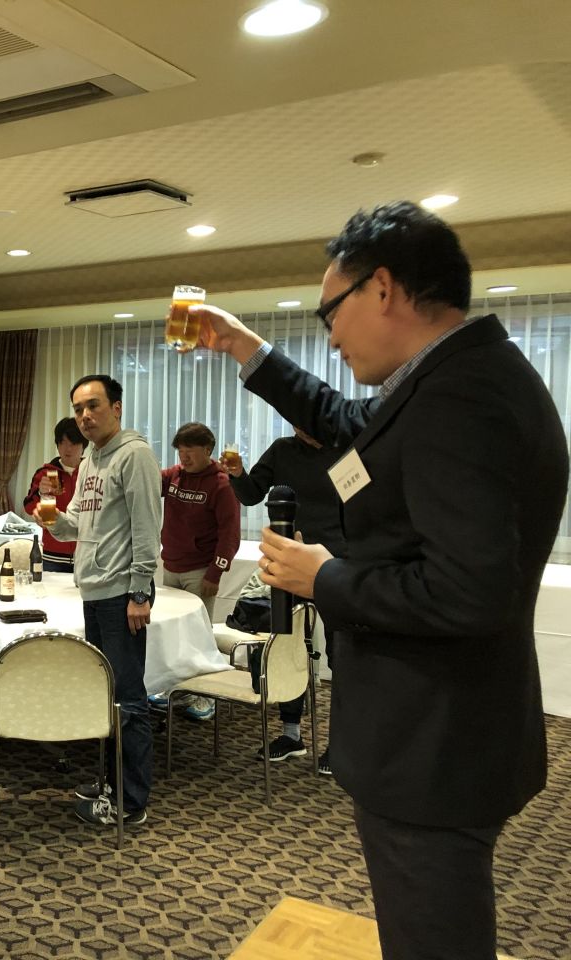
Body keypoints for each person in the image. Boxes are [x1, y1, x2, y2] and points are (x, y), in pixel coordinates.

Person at [193, 200, 569, 960]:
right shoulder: (454, 376)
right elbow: (347, 420)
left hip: (434, 739)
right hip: (443, 730)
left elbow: (468, 594)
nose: (330, 336)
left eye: (331, 312)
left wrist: (325, 578)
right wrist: (246, 349)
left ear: (384, 288)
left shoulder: (462, 397)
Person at [40, 374, 161, 827]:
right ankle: (111, 781)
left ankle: (130, 802)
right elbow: (77, 522)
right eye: (78, 409)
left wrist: (140, 591)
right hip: (93, 589)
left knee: (128, 700)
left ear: (117, 407)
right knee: (107, 695)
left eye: (93, 406)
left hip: (121, 594)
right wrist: (52, 519)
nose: (85, 416)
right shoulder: (91, 457)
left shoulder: (135, 455)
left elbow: (147, 528)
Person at [226, 427, 348, 770]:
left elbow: (366, 502)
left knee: (342, 656)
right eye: (293, 422)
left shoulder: (343, 448)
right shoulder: (282, 450)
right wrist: (238, 474)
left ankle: (340, 744)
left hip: (337, 563)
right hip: (289, 561)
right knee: (286, 649)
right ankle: (291, 734)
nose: (299, 428)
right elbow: (251, 494)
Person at [154, 421, 241, 721]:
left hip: (200, 571)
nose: (184, 456)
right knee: (172, 633)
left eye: (190, 450)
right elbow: (145, 481)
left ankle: (206, 696)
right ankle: (175, 688)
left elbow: (230, 535)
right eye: (180, 450)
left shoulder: (222, 484)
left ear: (207, 450)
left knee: (198, 636)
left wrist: (215, 574)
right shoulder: (174, 476)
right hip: (171, 567)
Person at [21, 416, 86, 573]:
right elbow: (29, 507)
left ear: (84, 445)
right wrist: (40, 493)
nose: (67, 449)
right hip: (53, 555)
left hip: (86, 554)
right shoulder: (47, 473)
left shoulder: (92, 472)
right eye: (62, 442)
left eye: (73, 443)